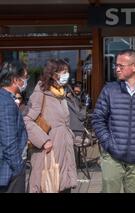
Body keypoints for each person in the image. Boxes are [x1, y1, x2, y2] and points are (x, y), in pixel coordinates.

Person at [91, 49, 135, 193]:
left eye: (121, 66)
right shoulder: (109, 90)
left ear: (134, 67)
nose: (116, 69)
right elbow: (98, 119)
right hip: (112, 157)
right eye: (116, 65)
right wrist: (108, 143)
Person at [24, 59, 77, 193]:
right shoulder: (40, 93)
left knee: (63, 186)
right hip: (48, 152)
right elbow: (27, 120)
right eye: (64, 72)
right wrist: (44, 141)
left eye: (67, 72)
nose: (67, 75)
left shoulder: (61, 93)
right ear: (53, 74)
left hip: (64, 151)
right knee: (48, 186)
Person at [0, 61, 28, 193]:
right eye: (25, 77)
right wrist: (18, 167)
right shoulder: (6, 103)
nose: (26, 80)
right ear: (15, 79)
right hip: (9, 171)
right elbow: (9, 141)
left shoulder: (6, 98)